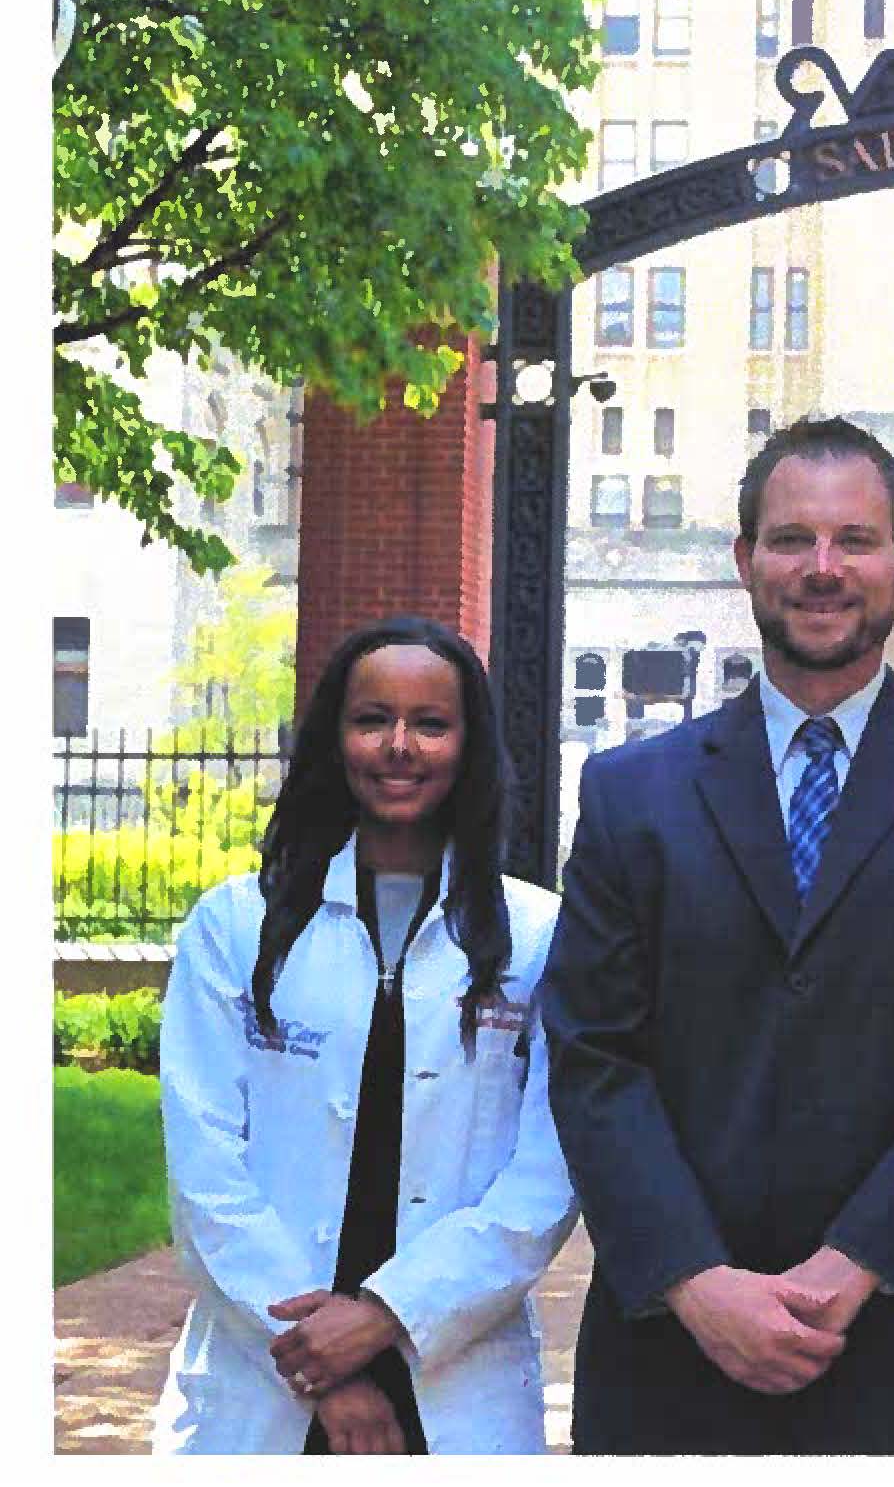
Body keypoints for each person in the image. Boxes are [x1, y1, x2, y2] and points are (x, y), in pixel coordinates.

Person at [542, 416, 894, 1455]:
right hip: (676, 1352)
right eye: (791, 539)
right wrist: (695, 1280)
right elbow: (593, 1053)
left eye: (855, 539)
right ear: (745, 559)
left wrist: (856, 1262)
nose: (823, 568)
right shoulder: (629, 793)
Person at [154, 616, 577, 1454]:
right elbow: (204, 1170)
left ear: (469, 745)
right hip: (267, 1362)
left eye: (431, 723)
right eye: (371, 718)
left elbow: (546, 1176)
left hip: (455, 1374)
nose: (399, 746)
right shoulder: (236, 927)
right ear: (333, 738)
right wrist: (328, 1370)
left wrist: (387, 1316)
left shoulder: (536, 938)